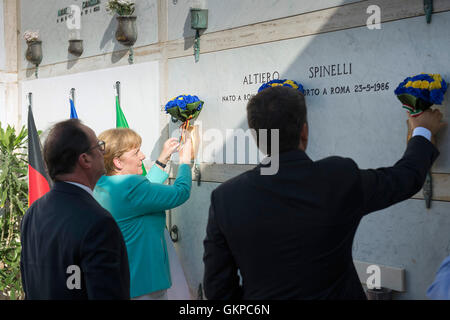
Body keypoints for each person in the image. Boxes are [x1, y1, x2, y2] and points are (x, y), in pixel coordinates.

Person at [203, 85, 445, 299]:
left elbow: (217, 289)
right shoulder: (338, 178)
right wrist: (422, 132)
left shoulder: (226, 197)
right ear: (304, 131)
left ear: (256, 138)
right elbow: (403, 179)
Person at [20, 119, 130, 300]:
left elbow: (29, 283)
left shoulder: (33, 212)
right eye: (98, 146)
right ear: (85, 159)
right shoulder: (98, 222)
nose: (103, 152)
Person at [93, 128, 192, 300]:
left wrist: (162, 160)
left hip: (121, 282)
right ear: (118, 162)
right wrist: (185, 162)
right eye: (136, 152)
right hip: (144, 285)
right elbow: (180, 192)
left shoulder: (102, 183)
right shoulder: (132, 187)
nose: (143, 156)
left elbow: (141, 197)